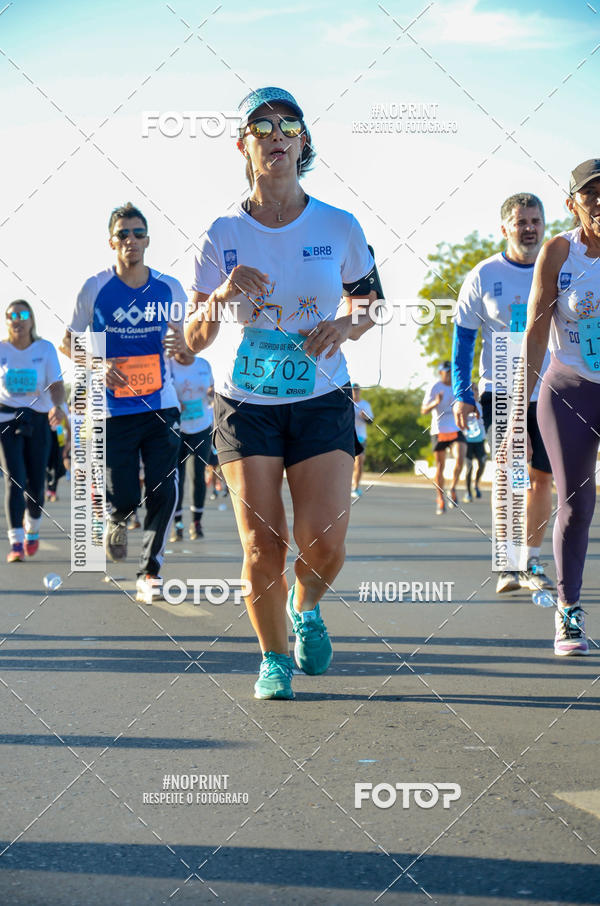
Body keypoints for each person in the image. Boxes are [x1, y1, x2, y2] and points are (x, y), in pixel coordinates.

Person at [185, 87, 377, 700]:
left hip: (322, 397)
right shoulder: (222, 232)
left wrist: (345, 324)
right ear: (244, 146)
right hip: (248, 404)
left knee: (325, 543)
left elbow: (372, 301)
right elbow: (192, 338)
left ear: (303, 142)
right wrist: (219, 296)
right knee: (261, 545)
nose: (274, 135)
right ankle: (273, 660)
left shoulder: (338, 225)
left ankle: (307, 605)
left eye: (286, 125)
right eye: (260, 127)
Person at [60, 202, 188, 603]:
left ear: (147, 239)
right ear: (111, 242)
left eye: (137, 233)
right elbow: (68, 342)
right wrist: (98, 366)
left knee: (165, 488)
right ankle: (116, 517)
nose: (130, 240)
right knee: (125, 495)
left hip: (161, 404)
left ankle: (150, 572)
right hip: (112, 410)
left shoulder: (170, 288)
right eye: (123, 234)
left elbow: (184, 348)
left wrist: (181, 349)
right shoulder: (95, 288)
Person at [452, 193, 555, 594]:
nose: (529, 228)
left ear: (544, 225)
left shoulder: (557, 269)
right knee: (511, 476)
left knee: (542, 478)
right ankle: (507, 563)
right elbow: (462, 340)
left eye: (535, 220)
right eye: (520, 221)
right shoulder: (483, 274)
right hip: (502, 391)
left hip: (549, 390)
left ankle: (531, 559)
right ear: (505, 229)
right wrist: (462, 394)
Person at [522, 159, 600, 655]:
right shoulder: (558, 252)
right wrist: (518, 402)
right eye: (592, 194)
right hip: (570, 387)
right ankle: (568, 612)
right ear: (574, 204)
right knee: (575, 502)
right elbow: (533, 327)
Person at [0, 300, 66, 561]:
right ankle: (16, 541)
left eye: (22, 314)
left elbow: (57, 385)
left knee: (36, 481)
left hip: (38, 419)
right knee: (14, 478)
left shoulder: (45, 349)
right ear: (7, 322)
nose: (17, 319)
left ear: (31, 320)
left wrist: (58, 407)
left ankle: (33, 528)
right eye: (11, 316)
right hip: (6, 418)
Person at [170, 352, 214, 540]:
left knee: (197, 475)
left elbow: (212, 389)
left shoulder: (204, 364)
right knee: (176, 478)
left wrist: (212, 392)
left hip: (201, 426)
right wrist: (174, 403)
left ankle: (196, 523)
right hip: (177, 429)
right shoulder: (168, 365)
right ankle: (177, 524)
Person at [421, 361, 466, 515]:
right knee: (440, 466)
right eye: (445, 371)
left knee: (460, 458)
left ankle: (452, 487)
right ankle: (440, 498)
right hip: (439, 430)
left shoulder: (458, 385)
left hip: (455, 428)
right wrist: (436, 402)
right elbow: (423, 410)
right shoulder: (434, 387)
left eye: (450, 371)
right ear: (440, 373)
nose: (448, 374)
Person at [463, 383, 487, 503]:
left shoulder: (483, 405)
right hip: (467, 442)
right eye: (471, 390)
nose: (473, 392)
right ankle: (468, 492)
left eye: (476, 390)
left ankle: (476, 483)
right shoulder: (464, 406)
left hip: (480, 441)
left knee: (482, 463)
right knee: (469, 467)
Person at [351, 383, 373, 498]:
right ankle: (346, 485)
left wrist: (365, 417)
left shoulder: (365, 405)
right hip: (347, 436)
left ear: (360, 391)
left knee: (359, 462)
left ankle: (355, 486)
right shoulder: (347, 403)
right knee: (348, 463)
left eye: (357, 390)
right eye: (353, 390)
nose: (355, 392)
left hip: (360, 437)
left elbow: (371, 422)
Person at [46, 406, 71, 502]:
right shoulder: (46, 413)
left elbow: (68, 430)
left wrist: (67, 446)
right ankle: (48, 490)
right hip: (48, 441)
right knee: (47, 467)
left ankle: (53, 492)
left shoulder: (63, 414)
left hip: (59, 441)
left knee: (57, 467)